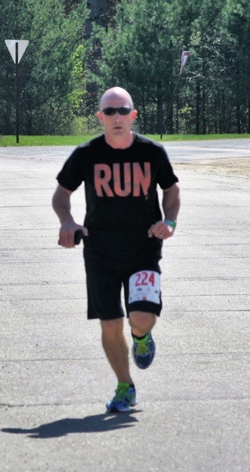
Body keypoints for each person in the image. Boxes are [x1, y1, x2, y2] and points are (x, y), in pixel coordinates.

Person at [52, 86, 180, 413]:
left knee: (140, 319)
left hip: (144, 249)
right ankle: (125, 385)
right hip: (99, 252)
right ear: (100, 118)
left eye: (123, 111)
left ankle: (141, 337)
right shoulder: (86, 154)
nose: (117, 117)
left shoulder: (152, 152)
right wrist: (67, 222)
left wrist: (170, 221)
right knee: (110, 324)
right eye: (110, 112)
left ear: (133, 115)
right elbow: (61, 194)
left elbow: (171, 188)